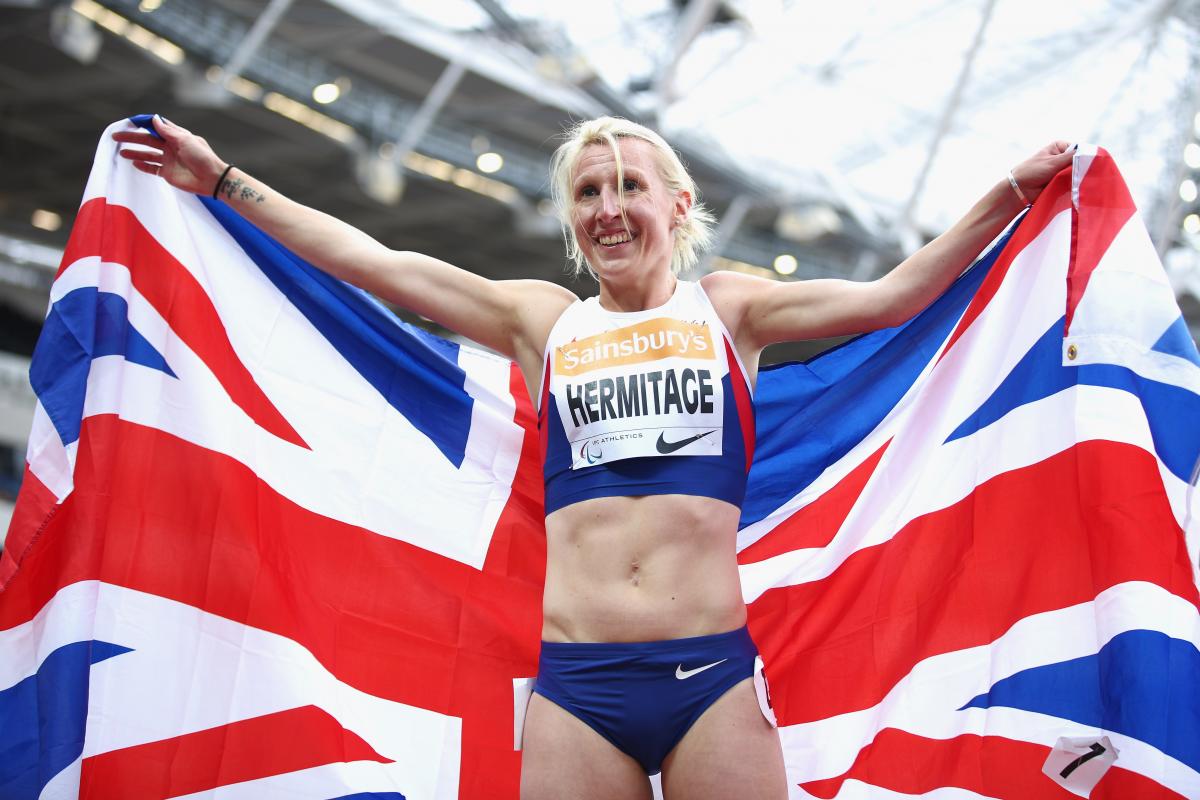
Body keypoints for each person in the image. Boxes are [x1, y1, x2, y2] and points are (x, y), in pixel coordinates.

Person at [115, 114, 1073, 799]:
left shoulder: (730, 309)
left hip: (712, 680)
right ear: (572, 220)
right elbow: (380, 265)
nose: (608, 208)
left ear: (678, 204)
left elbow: (895, 295)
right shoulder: (542, 321)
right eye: (587, 192)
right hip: (578, 689)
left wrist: (1005, 197)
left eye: (628, 187)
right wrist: (226, 182)